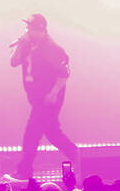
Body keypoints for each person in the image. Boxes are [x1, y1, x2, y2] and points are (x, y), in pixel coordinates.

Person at [9, 13, 79, 179]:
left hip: (49, 96)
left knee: (32, 132)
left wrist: (53, 93)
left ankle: (24, 171)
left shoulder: (52, 49)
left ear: (41, 30)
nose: (27, 31)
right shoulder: (26, 46)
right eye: (27, 28)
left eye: (30, 29)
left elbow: (64, 74)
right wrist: (20, 44)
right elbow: (14, 62)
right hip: (36, 97)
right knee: (53, 132)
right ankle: (80, 159)